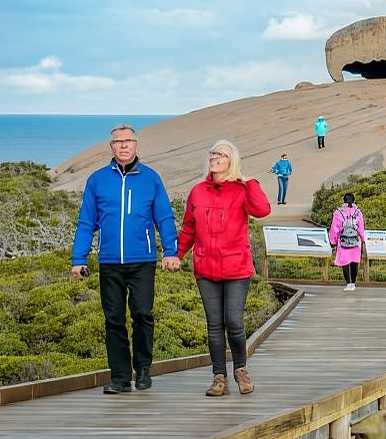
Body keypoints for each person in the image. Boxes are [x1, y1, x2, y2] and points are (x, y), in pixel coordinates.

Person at [70, 124, 179, 395]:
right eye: (117, 142)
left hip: (142, 259)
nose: (123, 145)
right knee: (114, 319)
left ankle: (143, 370)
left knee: (142, 314)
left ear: (136, 145)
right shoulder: (97, 180)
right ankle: (120, 377)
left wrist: (172, 251)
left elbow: (164, 217)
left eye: (128, 141)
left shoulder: (151, 178)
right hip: (109, 261)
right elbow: (86, 222)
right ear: (111, 147)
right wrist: (78, 258)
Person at [178, 140, 271, 397]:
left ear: (232, 161)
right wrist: (177, 254)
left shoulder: (242, 190)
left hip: (236, 267)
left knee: (234, 321)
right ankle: (219, 377)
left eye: (221, 154)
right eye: (212, 153)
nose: (214, 157)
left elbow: (262, 210)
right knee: (214, 324)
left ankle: (241, 370)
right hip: (205, 267)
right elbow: (188, 227)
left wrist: (250, 182)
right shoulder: (198, 191)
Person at [329, 193, 365, 291]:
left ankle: (348, 283)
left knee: (345, 262)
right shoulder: (358, 212)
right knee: (354, 262)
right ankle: (353, 283)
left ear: (344, 201)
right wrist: (363, 239)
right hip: (356, 241)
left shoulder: (338, 212)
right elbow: (361, 228)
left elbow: (334, 228)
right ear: (354, 201)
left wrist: (333, 240)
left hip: (343, 240)